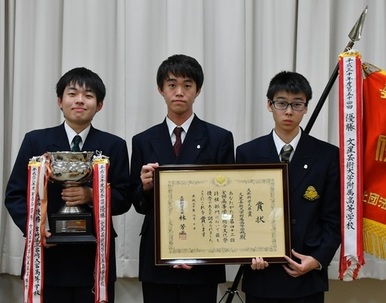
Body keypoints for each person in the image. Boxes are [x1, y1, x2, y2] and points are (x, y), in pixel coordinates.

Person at [5, 67, 131, 303]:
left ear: (100, 105)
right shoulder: (36, 141)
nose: (80, 100)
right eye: (72, 94)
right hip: (47, 256)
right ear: (60, 101)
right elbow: (14, 195)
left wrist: (93, 195)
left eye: (89, 95)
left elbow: (124, 197)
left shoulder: (114, 145)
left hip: (94, 259)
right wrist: (36, 230)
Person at [129, 54, 235, 303]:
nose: (179, 92)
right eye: (172, 85)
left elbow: (226, 201)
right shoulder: (143, 140)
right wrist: (145, 187)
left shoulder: (219, 138)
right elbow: (137, 204)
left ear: (197, 90)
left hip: (203, 254)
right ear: (160, 89)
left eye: (187, 85)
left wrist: (199, 250)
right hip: (157, 252)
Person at [236, 71, 341, 303]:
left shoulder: (327, 155)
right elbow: (239, 213)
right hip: (262, 273)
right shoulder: (247, 153)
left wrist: (318, 259)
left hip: (307, 274)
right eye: (281, 103)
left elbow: (333, 219)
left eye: (297, 104)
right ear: (269, 105)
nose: (289, 111)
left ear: (306, 108)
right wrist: (248, 251)